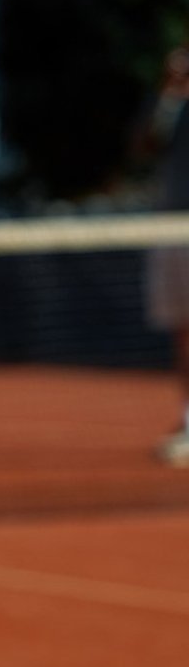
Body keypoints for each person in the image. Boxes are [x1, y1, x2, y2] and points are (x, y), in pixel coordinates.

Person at [145, 43, 189, 464]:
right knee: (183, 329)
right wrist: (169, 98)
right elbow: (142, 148)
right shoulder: (169, 102)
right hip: (170, 227)